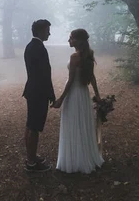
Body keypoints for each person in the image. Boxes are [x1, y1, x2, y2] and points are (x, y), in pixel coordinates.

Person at [51, 28, 104, 173]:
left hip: (73, 95)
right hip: (84, 95)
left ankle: (74, 161)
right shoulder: (88, 55)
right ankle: (84, 157)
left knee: (73, 124)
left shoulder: (75, 57)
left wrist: (61, 99)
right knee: (82, 124)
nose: (69, 40)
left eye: (71, 38)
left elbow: (71, 81)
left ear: (78, 40)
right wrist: (97, 95)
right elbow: (92, 77)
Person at [22, 19, 56, 172]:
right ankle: (31, 163)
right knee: (34, 127)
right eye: (48, 30)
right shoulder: (38, 48)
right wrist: (50, 93)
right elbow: (43, 74)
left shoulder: (31, 46)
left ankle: (32, 157)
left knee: (30, 125)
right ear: (41, 30)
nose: (49, 33)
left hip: (33, 90)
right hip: (38, 92)